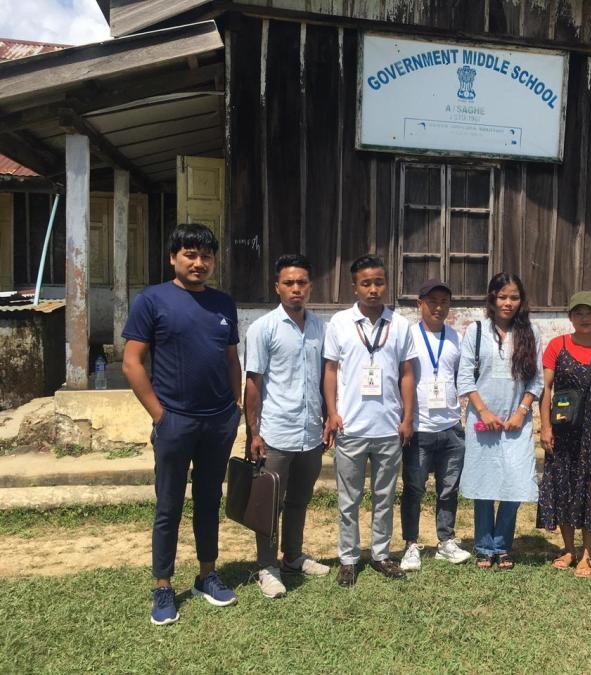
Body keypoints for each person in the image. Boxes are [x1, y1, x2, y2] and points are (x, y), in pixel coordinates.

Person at [122, 223, 242, 626]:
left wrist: (235, 406)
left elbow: (230, 361)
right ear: (173, 257)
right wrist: (160, 415)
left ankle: (207, 574)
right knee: (169, 505)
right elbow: (132, 362)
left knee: (209, 500)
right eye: (190, 254)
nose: (199, 262)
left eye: (206, 255)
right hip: (176, 421)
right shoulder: (152, 300)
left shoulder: (224, 303)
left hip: (218, 422)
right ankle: (162, 586)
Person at [323, 255, 417, 587]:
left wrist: (407, 417)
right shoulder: (339, 323)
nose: (373, 289)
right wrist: (332, 413)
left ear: (386, 284)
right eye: (366, 283)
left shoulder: (400, 324)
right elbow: (331, 371)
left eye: (379, 282)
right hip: (350, 428)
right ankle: (348, 558)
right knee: (349, 498)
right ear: (355, 286)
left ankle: (380, 555)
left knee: (384, 495)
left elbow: (407, 374)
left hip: (389, 428)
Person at [243, 254, 330, 599]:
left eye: (302, 283)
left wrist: (327, 417)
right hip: (276, 433)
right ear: (276, 287)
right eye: (289, 283)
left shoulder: (320, 328)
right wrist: (254, 432)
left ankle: (292, 555)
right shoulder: (263, 329)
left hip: (310, 433)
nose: (296, 289)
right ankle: (267, 566)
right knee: (269, 503)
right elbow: (253, 383)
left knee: (299, 500)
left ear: (310, 286)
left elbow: (327, 377)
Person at [458, 272, 543, 570]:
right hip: (483, 423)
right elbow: (465, 377)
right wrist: (483, 411)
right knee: (484, 483)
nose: (508, 303)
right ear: (492, 298)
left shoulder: (530, 333)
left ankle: (502, 545)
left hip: (516, 425)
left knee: (514, 481)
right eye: (502, 296)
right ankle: (483, 546)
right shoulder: (476, 331)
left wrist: (521, 412)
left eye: (514, 297)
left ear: (522, 301)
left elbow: (537, 381)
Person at [537, 291, 591, 578]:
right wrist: (545, 427)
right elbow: (545, 389)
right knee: (563, 485)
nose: (584, 318)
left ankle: (588, 553)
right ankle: (568, 549)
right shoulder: (556, 346)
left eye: (589, 312)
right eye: (578, 313)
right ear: (570, 317)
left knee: (590, 486)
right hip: (562, 429)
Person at [399, 279, 472, 571]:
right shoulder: (408, 337)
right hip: (418, 428)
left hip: (451, 428)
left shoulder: (455, 338)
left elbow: (460, 378)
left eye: (444, 302)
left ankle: (445, 541)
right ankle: (410, 545)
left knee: (448, 489)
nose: (438, 307)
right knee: (414, 489)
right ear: (420, 304)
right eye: (432, 302)